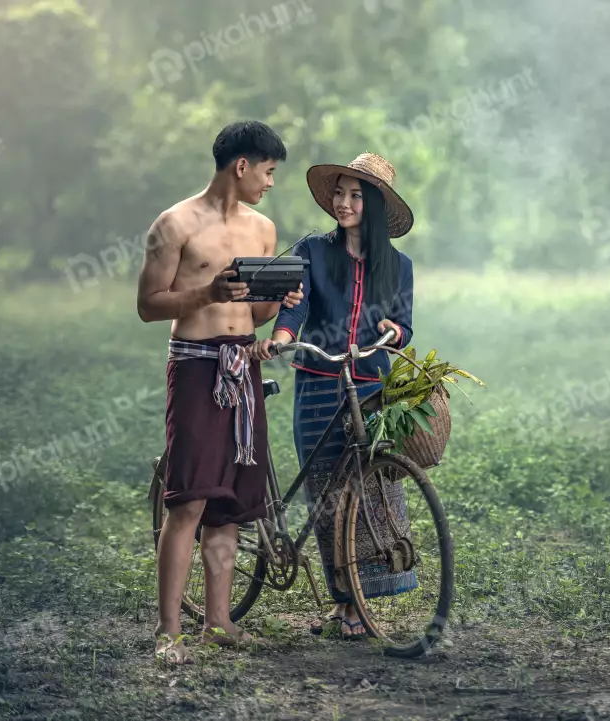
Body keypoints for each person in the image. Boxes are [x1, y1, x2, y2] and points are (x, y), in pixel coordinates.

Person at [136, 120, 304, 664]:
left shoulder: (263, 229)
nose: (270, 183)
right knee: (189, 499)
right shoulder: (174, 223)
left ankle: (219, 622)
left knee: (228, 503)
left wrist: (280, 299)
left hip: (243, 363)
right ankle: (168, 630)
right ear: (242, 165)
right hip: (195, 365)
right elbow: (148, 305)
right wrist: (207, 292)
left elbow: (256, 313)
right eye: (268, 171)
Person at [248, 152, 415, 639]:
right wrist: (281, 337)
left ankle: (361, 598)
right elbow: (294, 307)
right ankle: (345, 601)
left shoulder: (399, 266)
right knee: (326, 494)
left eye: (355, 195)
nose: (343, 203)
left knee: (371, 491)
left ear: (375, 205)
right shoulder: (313, 251)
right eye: (339, 193)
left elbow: (405, 325)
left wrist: (394, 332)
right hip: (318, 380)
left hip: (371, 387)